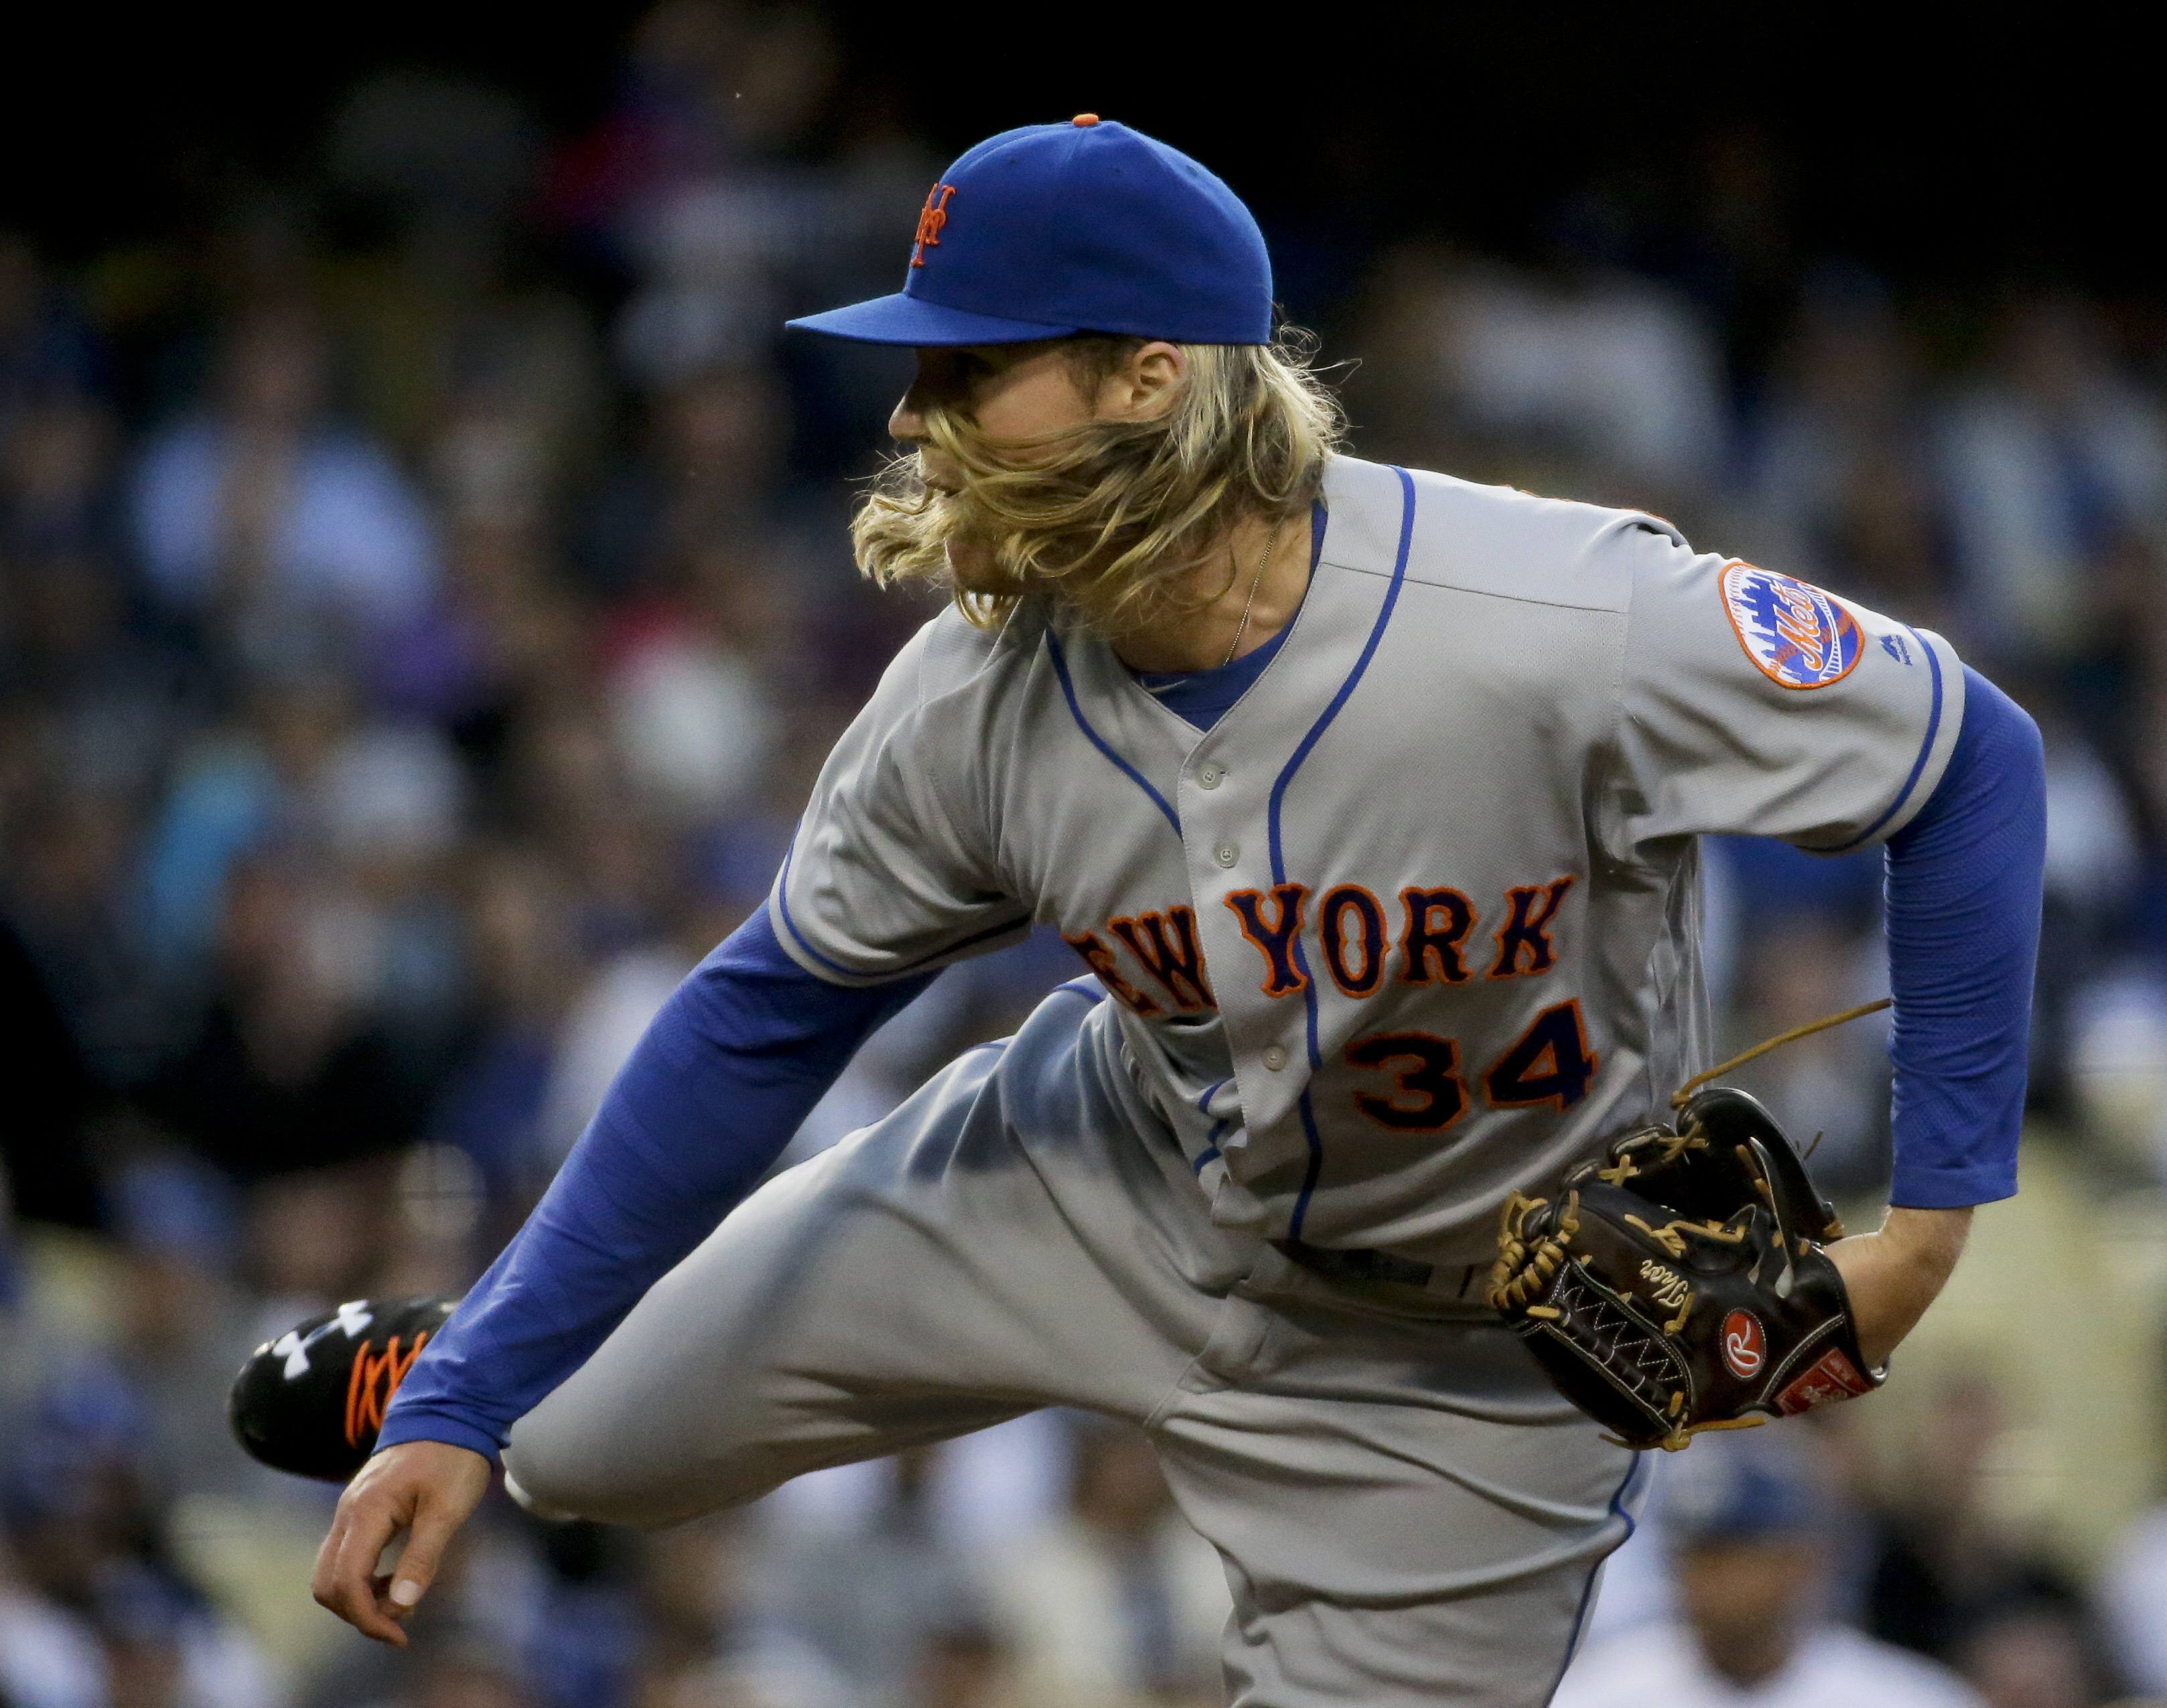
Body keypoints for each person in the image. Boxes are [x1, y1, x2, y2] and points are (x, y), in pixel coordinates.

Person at [311, 118, 2046, 1705]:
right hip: (1093, 1177)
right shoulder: (965, 699)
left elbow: (1968, 757)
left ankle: (492, 1361)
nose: (911, 419)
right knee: (578, 1436)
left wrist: (1930, 1220)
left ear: (1148, 379)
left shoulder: (1552, 618)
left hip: (1453, 1370)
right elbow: (762, 1011)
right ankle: (465, 1368)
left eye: (967, 367)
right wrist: (470, 1402)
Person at [1553, 1438, 1986, 1705]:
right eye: (1697, 1555)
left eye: (1737, 1555)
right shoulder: (1594, 1693)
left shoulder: (1909, 1697)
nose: (1710, 1581)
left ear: (1804, 1561)